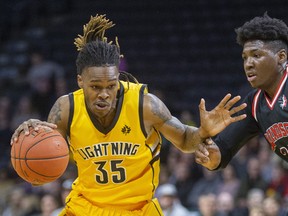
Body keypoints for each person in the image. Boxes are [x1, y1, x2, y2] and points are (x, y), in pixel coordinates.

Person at [11, 14, 246, 216]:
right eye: (95, 87)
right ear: (80, 81)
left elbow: (185, 139)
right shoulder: (66, 109)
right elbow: (47, 155)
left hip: (138, 209)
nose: (104, 94)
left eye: (111, 86)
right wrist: (34, 134)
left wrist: (204, 132)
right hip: (86, 208)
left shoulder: (144, 105)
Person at [195, 13, 288, 170]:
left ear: (281, 57)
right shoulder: (255, 103)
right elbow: (221, 152)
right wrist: (206, 140)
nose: (248, 64)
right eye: (245, 58)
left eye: (256, 55)